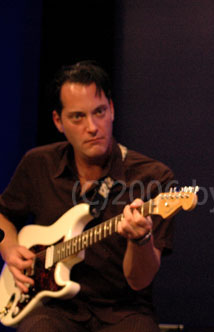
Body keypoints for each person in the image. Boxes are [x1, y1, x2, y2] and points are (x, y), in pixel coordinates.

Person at [0, 61, 175, 331]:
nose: (93, 127)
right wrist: (10, 247)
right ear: (58, 121)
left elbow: (140, 281)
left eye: (100, 112)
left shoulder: (152, 177)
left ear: (112, 110)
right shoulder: (39, 163)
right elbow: (4, 215)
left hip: (124, 311)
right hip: (55, 310)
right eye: (78, 117)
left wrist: (140, 239)